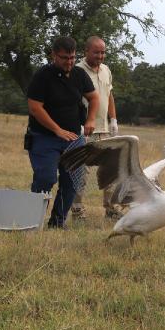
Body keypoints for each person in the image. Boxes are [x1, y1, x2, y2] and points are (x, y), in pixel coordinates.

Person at [26, 36, 100, 228]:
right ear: (53, 55)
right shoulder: (42, 75)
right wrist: (57, 130)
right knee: (46, 177)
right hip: (44, 137)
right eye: (64, 58)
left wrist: (91, 119)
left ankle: (57, 222)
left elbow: (93, 98)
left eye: (72, 58)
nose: (69, 62)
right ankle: (32, 220)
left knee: (72, 182)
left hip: (74, 138)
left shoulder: (79, 75)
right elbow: (35, 107)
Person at [71, 36, 122, 220]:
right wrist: (77, 124)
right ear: (86, 52)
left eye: (103, 52)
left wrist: (113, 119)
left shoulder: (106, 70)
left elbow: (109, 95)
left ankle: (111, 209)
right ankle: (77, 211)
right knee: (80, 173)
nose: (100, 56)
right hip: (85, 131)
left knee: (111, 170)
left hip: (105, 130)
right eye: (96, 52)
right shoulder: (76, 70)